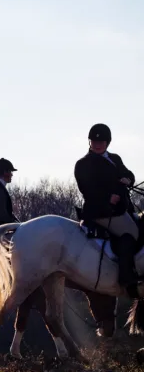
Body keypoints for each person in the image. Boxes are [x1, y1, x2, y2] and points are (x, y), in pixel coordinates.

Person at [74, 123, 138, 287]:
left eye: (101, 142)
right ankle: (125, 276)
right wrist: (108, 198)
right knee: (132, 233)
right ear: (89, 142)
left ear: (107, 142)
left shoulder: (114, 158)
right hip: (101, 211)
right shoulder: (83, 164)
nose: (97, 144)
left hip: (122, 209)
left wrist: (128, 179)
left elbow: (128, 173)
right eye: (94, 142)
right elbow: (87, 190)